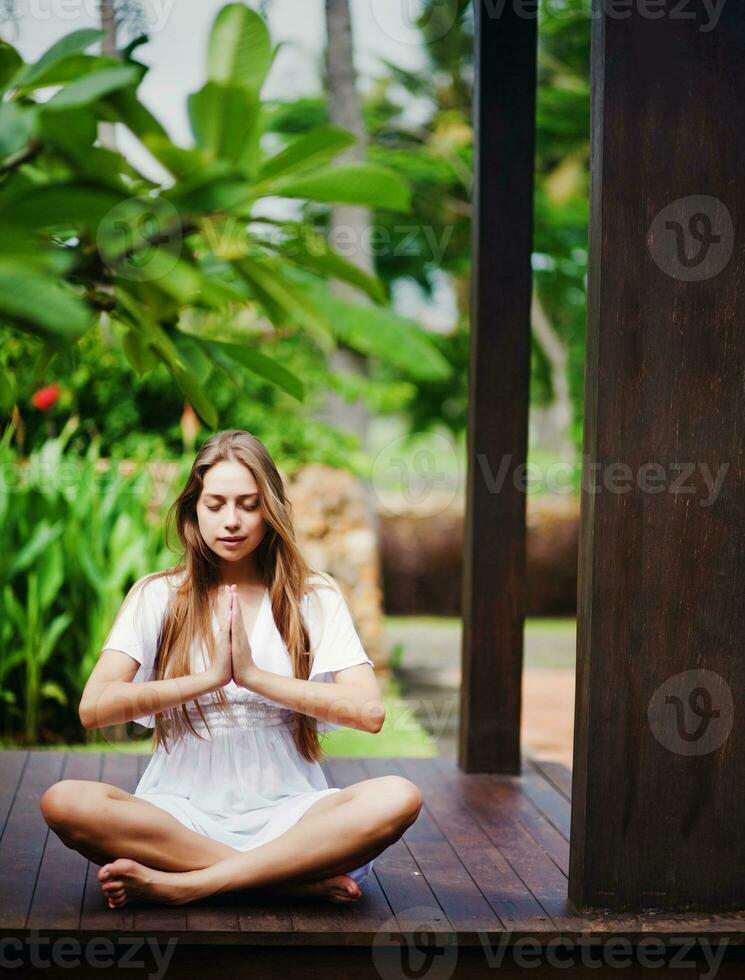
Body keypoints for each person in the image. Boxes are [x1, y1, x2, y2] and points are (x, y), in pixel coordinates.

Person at [39, 429, 423, 907]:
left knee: (398, 796)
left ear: (271, 510)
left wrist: (256, 677)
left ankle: (194, 882)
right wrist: (208, 679)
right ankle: (284, 879)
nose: (232, 520)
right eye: (216, 503)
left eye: (248, 503)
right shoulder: (158, 595)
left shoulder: (312, 596)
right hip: (179, 817)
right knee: (65, 801)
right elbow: (94, 708)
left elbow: (368, 711)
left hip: (293, 818)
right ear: (193, 509)